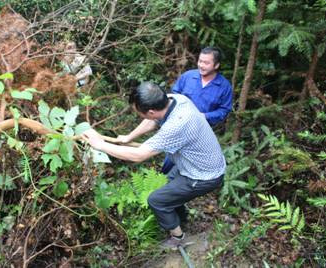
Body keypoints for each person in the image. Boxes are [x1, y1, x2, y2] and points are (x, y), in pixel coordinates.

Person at [81, 82, 226, 250]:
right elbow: (153, 121)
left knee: (157, 200)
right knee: (169, 185)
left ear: (150, 111)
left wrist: (100, 145)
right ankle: (180, 219)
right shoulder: (176, 100)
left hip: (203, 175)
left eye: (140, 113)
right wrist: (128, 137)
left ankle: (178, 238)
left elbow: (139, 155)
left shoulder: (177, 125)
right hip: (194, 162)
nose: (141, 117)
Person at [161, 46, 233, 174]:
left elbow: (224, 110)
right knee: (170, 160)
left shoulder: (224, 86)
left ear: (216, 65)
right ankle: (160, 181)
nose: (201, 65)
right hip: (179, 127)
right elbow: (173, 96)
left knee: (189, 165)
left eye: (206, 63)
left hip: (201, 132)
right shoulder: (188, 76)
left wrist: (204, 116)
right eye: (200, 61)